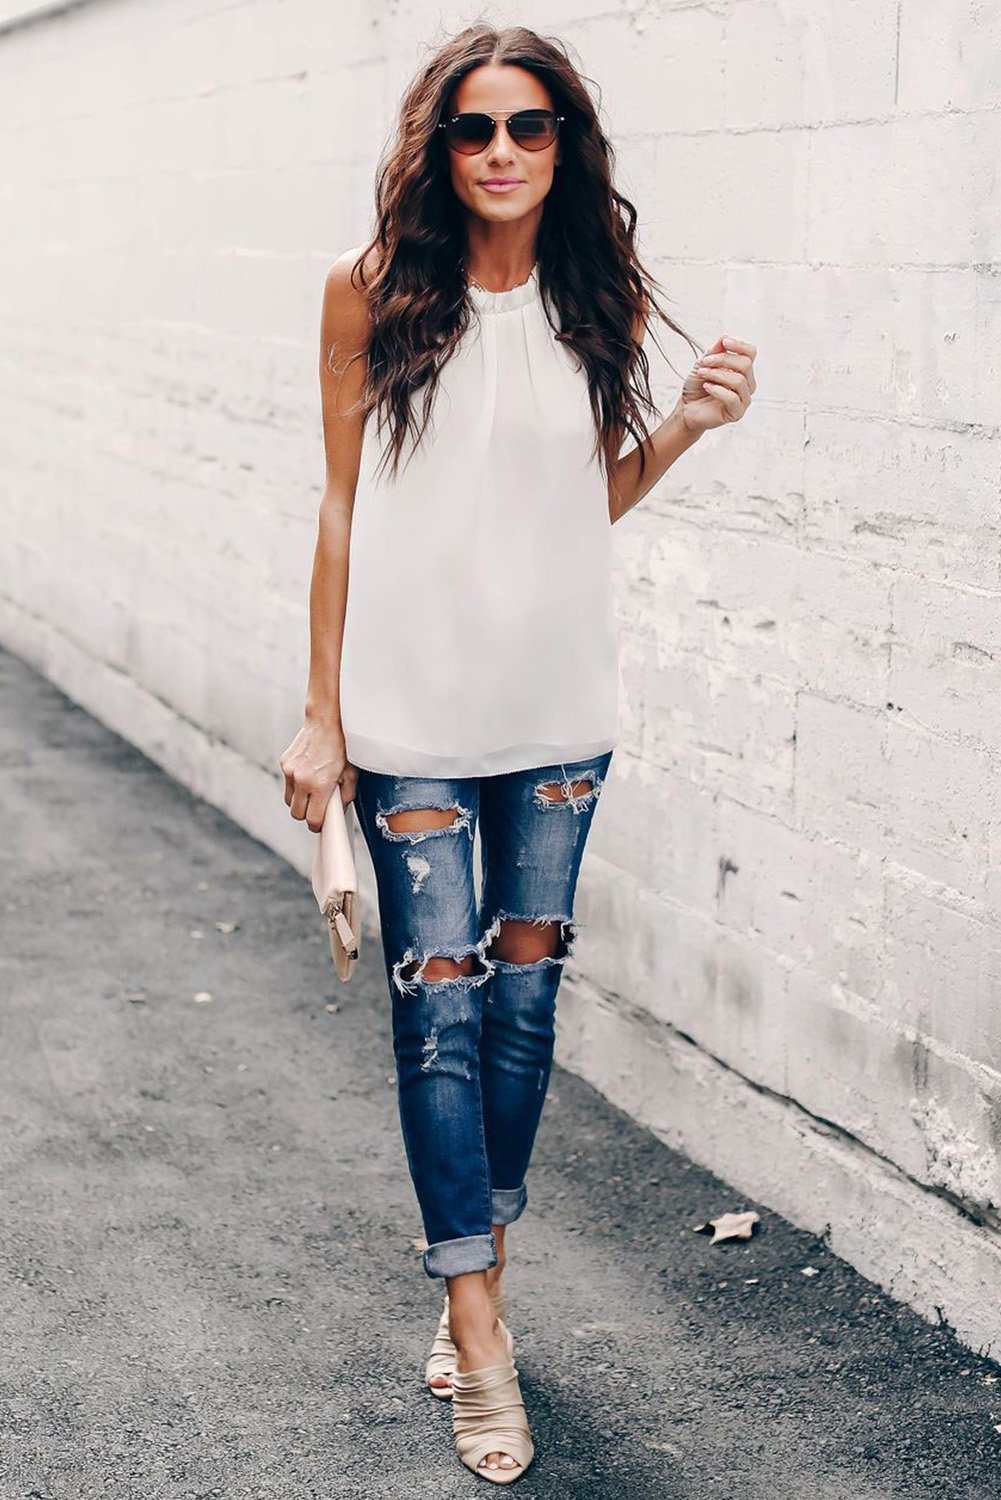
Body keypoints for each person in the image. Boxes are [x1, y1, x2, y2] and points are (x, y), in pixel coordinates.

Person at [279, 22, 756, 1485]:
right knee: (438, 1005)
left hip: (555, 712)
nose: (500, 151)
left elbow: (571, 508)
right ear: (438, 147)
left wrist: (677, 426)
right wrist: (319, 712)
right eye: (475, 128)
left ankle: (476, 1260)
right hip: (410, 710)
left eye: (529, 126)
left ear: (565, 146)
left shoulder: (591, 295)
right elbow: (346, 510)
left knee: (526, 1005)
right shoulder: (366, 296)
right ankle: (476, 1323)